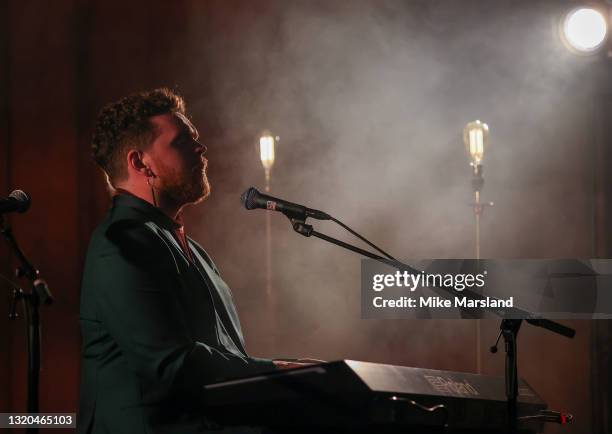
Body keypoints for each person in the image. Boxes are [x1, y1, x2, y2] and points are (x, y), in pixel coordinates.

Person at [78, 88, 300, 434]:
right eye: (182, 142)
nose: (201, 148)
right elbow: (172, 364)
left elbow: (223, 361)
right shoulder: (120, 243)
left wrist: (286, 373)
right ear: (140, 163)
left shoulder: (191, 248)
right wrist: (274, 371)